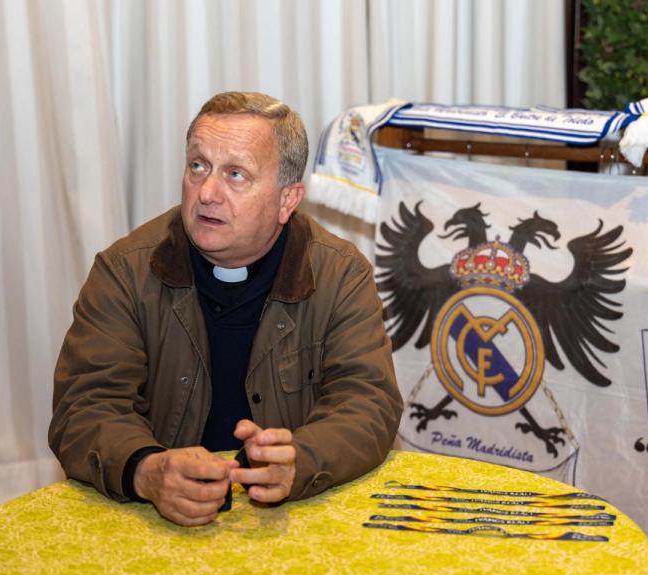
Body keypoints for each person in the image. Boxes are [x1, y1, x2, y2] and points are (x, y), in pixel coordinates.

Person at [49, 91, 403, 526]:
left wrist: (301, 459)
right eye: (198, 166)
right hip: (159, 520)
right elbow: (84, 407)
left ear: (287, 199)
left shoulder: (340, 275)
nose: (207, 193)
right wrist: (146, 469)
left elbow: (368, 403)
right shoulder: (125, 271)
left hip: (290, 521)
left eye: (236, 174)